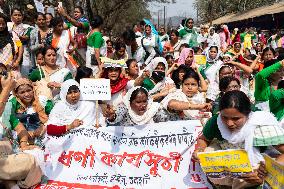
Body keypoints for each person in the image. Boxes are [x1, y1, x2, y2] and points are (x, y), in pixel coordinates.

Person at [193, 91, 284, 189]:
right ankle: (222, 184)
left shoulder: (260, 124)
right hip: (229, 164)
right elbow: (204, 139)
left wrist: (266, 171)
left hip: (257, 167)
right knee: (208, 152)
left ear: (247, 114)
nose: (229, 123)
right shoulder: (216, 122)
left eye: (236, 118)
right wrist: (200, 149)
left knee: (251, 175)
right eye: (224, 117)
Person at [0, 71, 42, 189]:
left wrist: (23, 144)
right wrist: (7, 88)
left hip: (4, 152)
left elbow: (18, 126)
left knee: (33, 157)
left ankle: (11, 183)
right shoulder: (7, 100)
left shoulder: (7, 106)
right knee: (30, 161)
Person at [8, 78, 54, 147]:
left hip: (42, 139)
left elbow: (55, 117)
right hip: (20, 141)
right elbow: (9, 123)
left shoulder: (43, 101)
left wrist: (43, 127)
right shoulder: (12, 104)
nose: (27, 94)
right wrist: (24, 134)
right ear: (16, 94)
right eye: (22, 92)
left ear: (33, 90)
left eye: (29, 90)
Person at [103, 87, 170, 126]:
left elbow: (166, 121)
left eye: (144, 101)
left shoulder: (153, 109)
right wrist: (111, 116)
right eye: (138, 102)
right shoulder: (125, 108)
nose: (143, 105)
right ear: (130, 102)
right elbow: (117, 116)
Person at [8, 8, 33, 77]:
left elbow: (26, 37)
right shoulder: (7, 26)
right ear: (11, 16)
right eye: (15, 15)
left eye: (19, 15)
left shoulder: (27, 27)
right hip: (9, 53)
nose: (17, 17)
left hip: (24, 52)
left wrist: (15, 35)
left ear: (22, 16)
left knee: (23, 74)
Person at [0, 13, 23, 78]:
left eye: (3, 24)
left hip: (12, 66)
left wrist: (18, 61)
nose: (1, 26)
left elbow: (20, 46)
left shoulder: (12, 34)